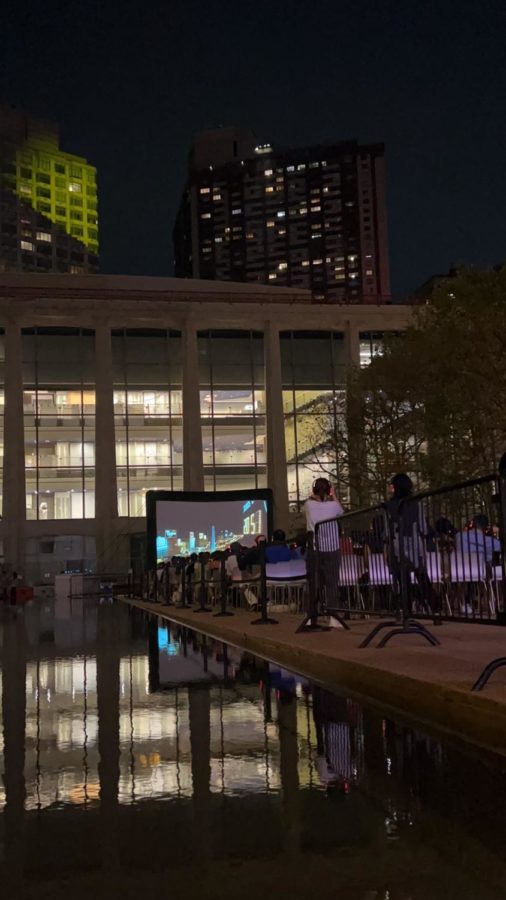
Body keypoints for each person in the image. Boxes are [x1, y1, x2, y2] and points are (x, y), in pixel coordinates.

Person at [386, 473, 439, 615]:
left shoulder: (390, 505)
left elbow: (387, 529)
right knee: (422, 576)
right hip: (415, 543)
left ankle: (406, 610)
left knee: (403, 579)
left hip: (398, 544)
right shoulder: (416, 503)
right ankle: (435, 608)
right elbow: (422, 526)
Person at [305, 477, 343, 626]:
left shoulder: (308, 505)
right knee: (332, 583)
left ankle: (310, 616)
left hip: (315, 549)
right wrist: (333, 495)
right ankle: (333, 617)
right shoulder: (334, 506)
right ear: (329, 490)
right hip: (332, 549)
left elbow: (310, 500)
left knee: (313, 583)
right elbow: (341, 511)